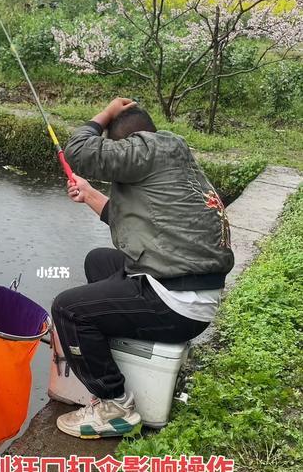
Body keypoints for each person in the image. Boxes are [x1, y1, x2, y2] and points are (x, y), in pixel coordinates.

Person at [52, 98, 234, 439]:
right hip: (185, 286)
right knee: (98, 260)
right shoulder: (173, 161)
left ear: (131, 144)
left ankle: (115, 404)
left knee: (68, 309)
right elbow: (138, 226)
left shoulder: (147, 150)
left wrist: (105, 113)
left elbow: (79, 150)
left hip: (178, 303)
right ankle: (123, 350)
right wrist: (90, 195)